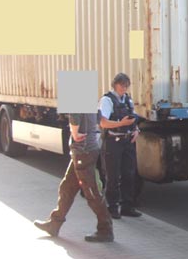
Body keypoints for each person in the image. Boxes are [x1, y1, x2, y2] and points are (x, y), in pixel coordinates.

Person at [34, 112, 113, 242]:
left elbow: (74, 117)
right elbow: (101, 121)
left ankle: (105, 229)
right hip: (87, 150)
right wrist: (122, 124)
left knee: (92, 193)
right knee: (67, 187)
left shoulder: (76, 93)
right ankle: (54, 224)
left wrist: (75, 134)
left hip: (83, 151)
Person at [99, 73, 142, 219]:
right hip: (113, 141)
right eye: (122, 85)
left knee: (129, 174)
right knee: (112, 176)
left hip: (128, 141)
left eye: (126, 85)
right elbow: (103, 123)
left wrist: (136, 130)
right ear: (115, 84)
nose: (124, 88)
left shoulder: (128, 100)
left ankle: (127, 207)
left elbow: (134, 118)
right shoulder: (106, 100)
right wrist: (121, 124)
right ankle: (111, 208)